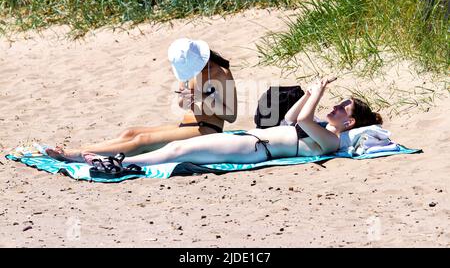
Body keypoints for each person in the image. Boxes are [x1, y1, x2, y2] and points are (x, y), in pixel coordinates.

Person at [83, 77, 383, 167]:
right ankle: (120, 161)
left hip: (254, 150)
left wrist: (317, 95)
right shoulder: (318, 126)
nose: (336, 105)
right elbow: (291, 118)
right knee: (179, 148)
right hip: (251, 141)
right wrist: (308, 94)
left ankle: (121, 164)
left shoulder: (331, 141)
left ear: (350, 122)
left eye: (343, 107)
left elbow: (303, 120)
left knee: (180, 152)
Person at [46, 38, 238, 162]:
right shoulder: (187, 71)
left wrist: (202, 98)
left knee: (142, 140)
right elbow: (182, 105)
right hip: (186, 125)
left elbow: (231, 116)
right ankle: (84, 149)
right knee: (131, 132)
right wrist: (184, 99)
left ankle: (79, 154)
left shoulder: (221, 73)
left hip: (207, 130)